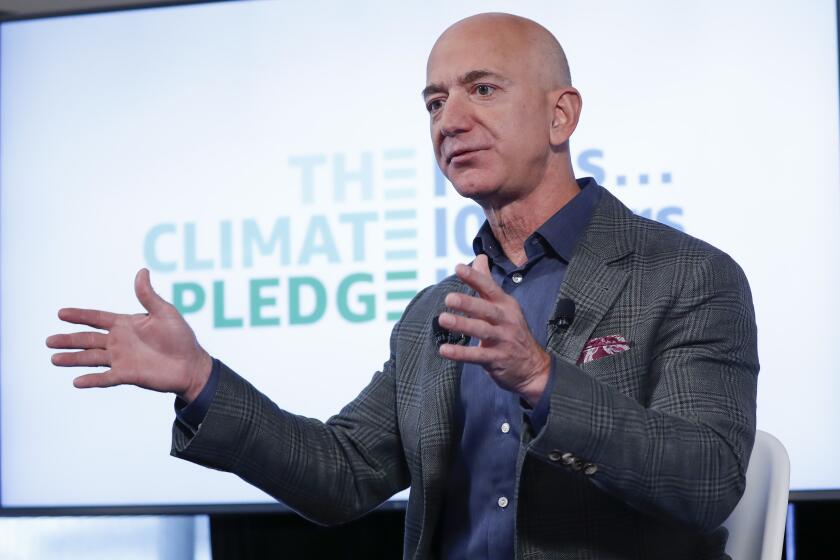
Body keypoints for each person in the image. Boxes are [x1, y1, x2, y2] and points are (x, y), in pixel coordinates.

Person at [47, 12, 758, 560]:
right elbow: (341, 474)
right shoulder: (435, 316)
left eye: (482, 89)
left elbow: (707, 483)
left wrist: (543, 380)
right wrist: (201, 380)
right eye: (434, 102)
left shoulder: (687, 276)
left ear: (560, 115)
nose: (451, 120)